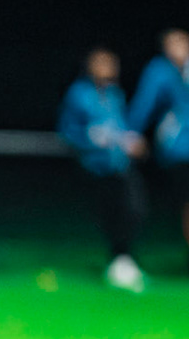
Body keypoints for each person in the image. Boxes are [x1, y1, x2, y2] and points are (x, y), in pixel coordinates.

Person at [126, 29, 189, 276]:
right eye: (175, 44)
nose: (181, 48)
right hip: (177, 148)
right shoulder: (158, 71)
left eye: (184, 42)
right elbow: (144, 103)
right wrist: (131, 133)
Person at [57, 48, 148, 291]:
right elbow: (68, 130)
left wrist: (130, 141)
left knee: (134, 209)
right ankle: (118, 261)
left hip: (120, 163)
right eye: (101, 63)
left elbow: (120, 126)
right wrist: (90, 139)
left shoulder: (115, 94)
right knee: (112, 213)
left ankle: (122, 259)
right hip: (96, 166)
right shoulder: (79, 94)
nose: (107, 69)